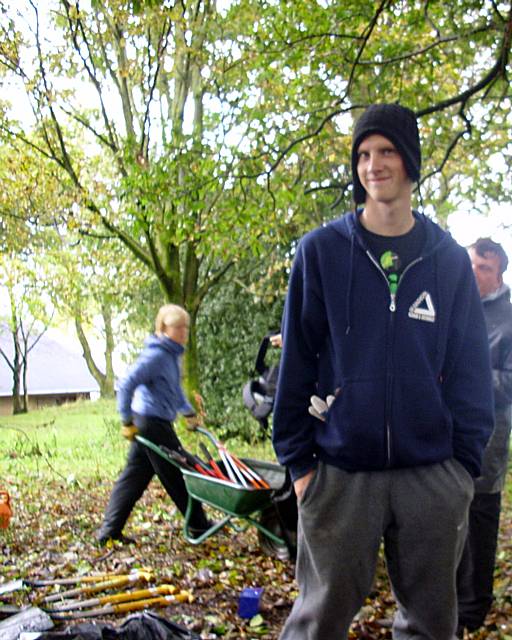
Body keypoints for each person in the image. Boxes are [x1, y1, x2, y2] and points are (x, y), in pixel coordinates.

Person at [272, 103, 494, 640]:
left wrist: (462, 470)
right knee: (316, 623)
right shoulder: (320, 252)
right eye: (364, 154)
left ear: (410, 161)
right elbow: (296, 364)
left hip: (432, 476)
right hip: (342, 474)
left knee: (431, 626)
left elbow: (470, 370)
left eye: (387, 151)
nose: (373, 165)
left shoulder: (446, 260)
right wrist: (300, 465)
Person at [96, 303, 211, 545]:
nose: (183, 332)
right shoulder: (157, 355)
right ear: (163, 327)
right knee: (180, 473)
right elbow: (127, 383)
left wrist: (188, 413)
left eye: (185, 327)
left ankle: (108, 532)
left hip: (155, 422)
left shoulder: (172, 354)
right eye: (177, 327)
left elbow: (174, 390)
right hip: (151, 423)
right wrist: (126, 420)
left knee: (134, 477)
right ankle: (199, 525)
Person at [456, 238, 512, 636]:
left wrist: (465, 377)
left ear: (500, 275)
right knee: (447, 514)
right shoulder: (455, 305)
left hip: (489, 437)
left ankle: (472, 611)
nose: (476, 273)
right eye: (472, 264)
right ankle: (445, 604)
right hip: (445, 434)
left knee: (478, 518)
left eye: (484, 268)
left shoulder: (509, 319)